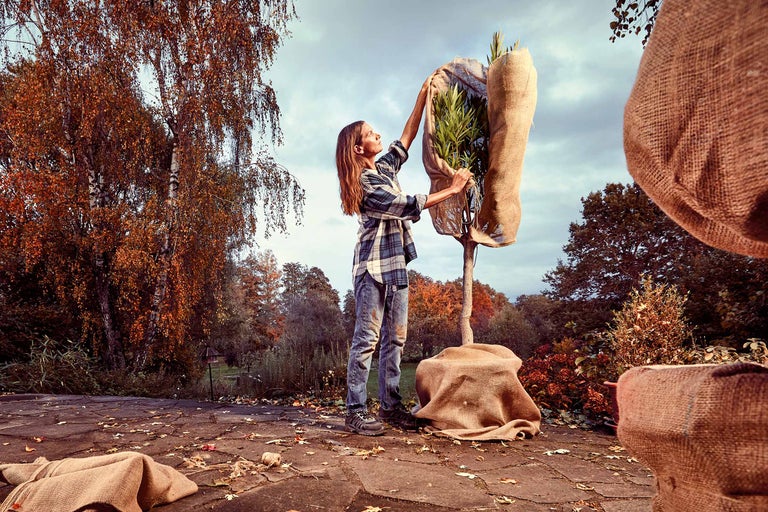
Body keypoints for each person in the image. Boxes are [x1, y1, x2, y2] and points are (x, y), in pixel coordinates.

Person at [335, 79, 472, 435]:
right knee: (367, 339)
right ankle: (354, 411)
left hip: (395, 267)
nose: (377, 135)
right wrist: (454, 189)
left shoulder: (382, 170)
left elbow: (405, 140)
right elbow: (405, 204)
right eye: (370, 133)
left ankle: (391, 408)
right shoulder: (366, 184)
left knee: (395, 338)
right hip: (371, 270)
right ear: (357, 147)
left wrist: (422, 97)